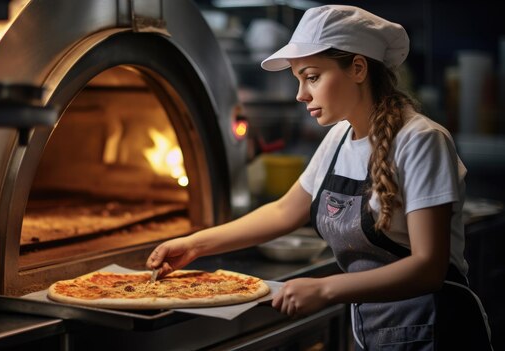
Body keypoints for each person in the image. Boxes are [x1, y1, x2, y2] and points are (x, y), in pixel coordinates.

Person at [147, 5, 493, 350]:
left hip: (436, 330)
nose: (301, 94)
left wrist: (324, 288)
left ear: (358, 68)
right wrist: (194, 244)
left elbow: (428, 267)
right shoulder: (340, 136)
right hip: (373, 330)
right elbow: (284, 211)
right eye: (298, 79)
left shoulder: (421, 140)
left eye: (312, 77)